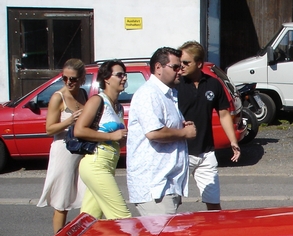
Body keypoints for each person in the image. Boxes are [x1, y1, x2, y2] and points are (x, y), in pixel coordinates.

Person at [126, 47, 196, 216]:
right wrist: (185, 133)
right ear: (158, 67)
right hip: (154, 186)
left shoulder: (168, 94)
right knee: (162, 232)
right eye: (175, 67)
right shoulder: (149, 93)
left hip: (167, 184)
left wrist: (182, 127)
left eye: (181, 67)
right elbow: (154, 133)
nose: (180, 71)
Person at [177, 41, 240, 211]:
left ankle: (216, 228)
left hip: (206, 153)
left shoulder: (213, 84)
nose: (181, 66)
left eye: (186, 63)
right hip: (181, 152)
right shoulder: (176, 85)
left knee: (213, 203)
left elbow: (224, 114)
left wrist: (233, 141)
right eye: (180, 62)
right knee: (172, 202)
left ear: (199, 64)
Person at [75, 59, 131, 220]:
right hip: (96, 163)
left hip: (108, 164)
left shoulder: (118, 107)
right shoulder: (97, 100)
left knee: (89, 220)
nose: (124, 78)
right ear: (106, 79)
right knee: (122, 218)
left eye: (125, 75)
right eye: (119, 75)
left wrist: (120, 140)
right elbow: (79, 130)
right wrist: (111, 136)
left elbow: (116, 137)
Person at [37, 59, 89, 233]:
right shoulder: (57, 97)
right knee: (62, 200)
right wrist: (69, 120)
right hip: (63, 150)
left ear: (82, 78)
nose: (68, 82)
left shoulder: (83, 93)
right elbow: (49, 129)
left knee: (87, 196)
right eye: (64, 78)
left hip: (81, 150)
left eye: (73, 79)